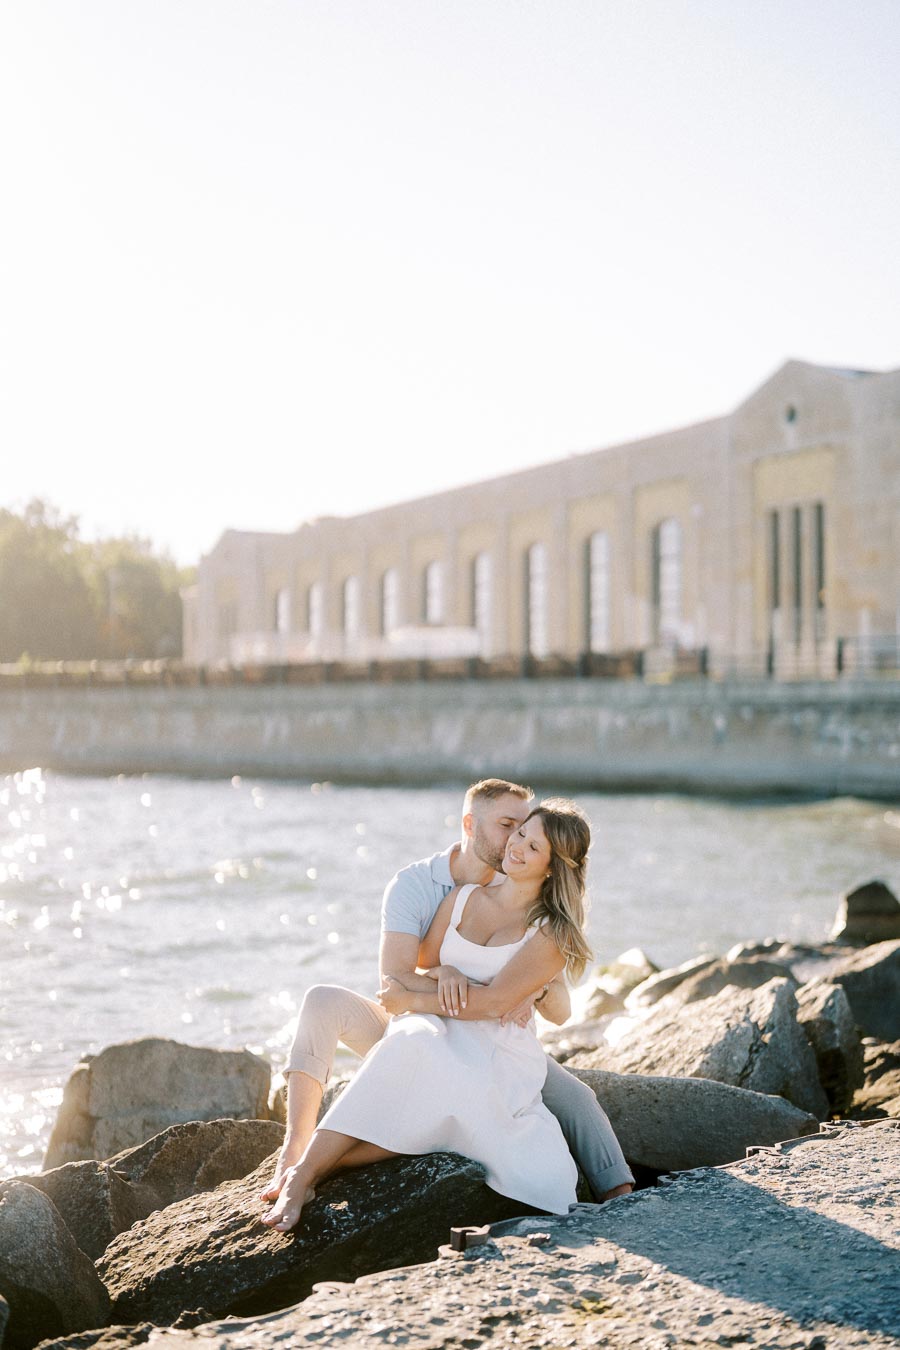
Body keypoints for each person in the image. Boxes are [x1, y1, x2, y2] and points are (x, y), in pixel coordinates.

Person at [260, 779, 633, 1223]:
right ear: (470, 824)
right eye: (510, 827)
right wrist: (445, 974)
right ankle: (296, 1156)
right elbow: (398, 981)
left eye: (528, 836)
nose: (515, 841)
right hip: (428, 1017)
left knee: (575, 1097)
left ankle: (623, 1196)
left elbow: (547, 1005)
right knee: (376, 1027)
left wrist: (532, 987)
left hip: (492, 1036)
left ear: (551, 864)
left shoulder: (534, 906)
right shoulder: (422, 885)